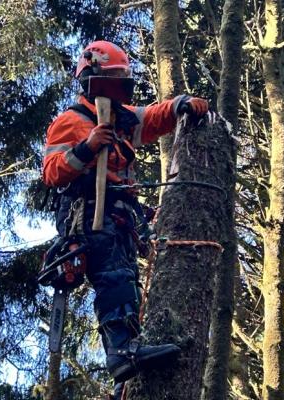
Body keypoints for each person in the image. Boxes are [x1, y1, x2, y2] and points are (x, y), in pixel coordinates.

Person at [42, 40, 208, 398]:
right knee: (113, 276)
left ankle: (125, 373)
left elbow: (152, 117)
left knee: (128, 281)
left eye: (121, 82)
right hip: (88, 212)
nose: (118, 89)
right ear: (91, 79)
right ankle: (120, 352)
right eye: (111, 81)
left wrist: (180, 104)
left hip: (120, 214)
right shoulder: (72, 121)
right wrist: (86, 147)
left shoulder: (120, 119)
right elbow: (53, 173)